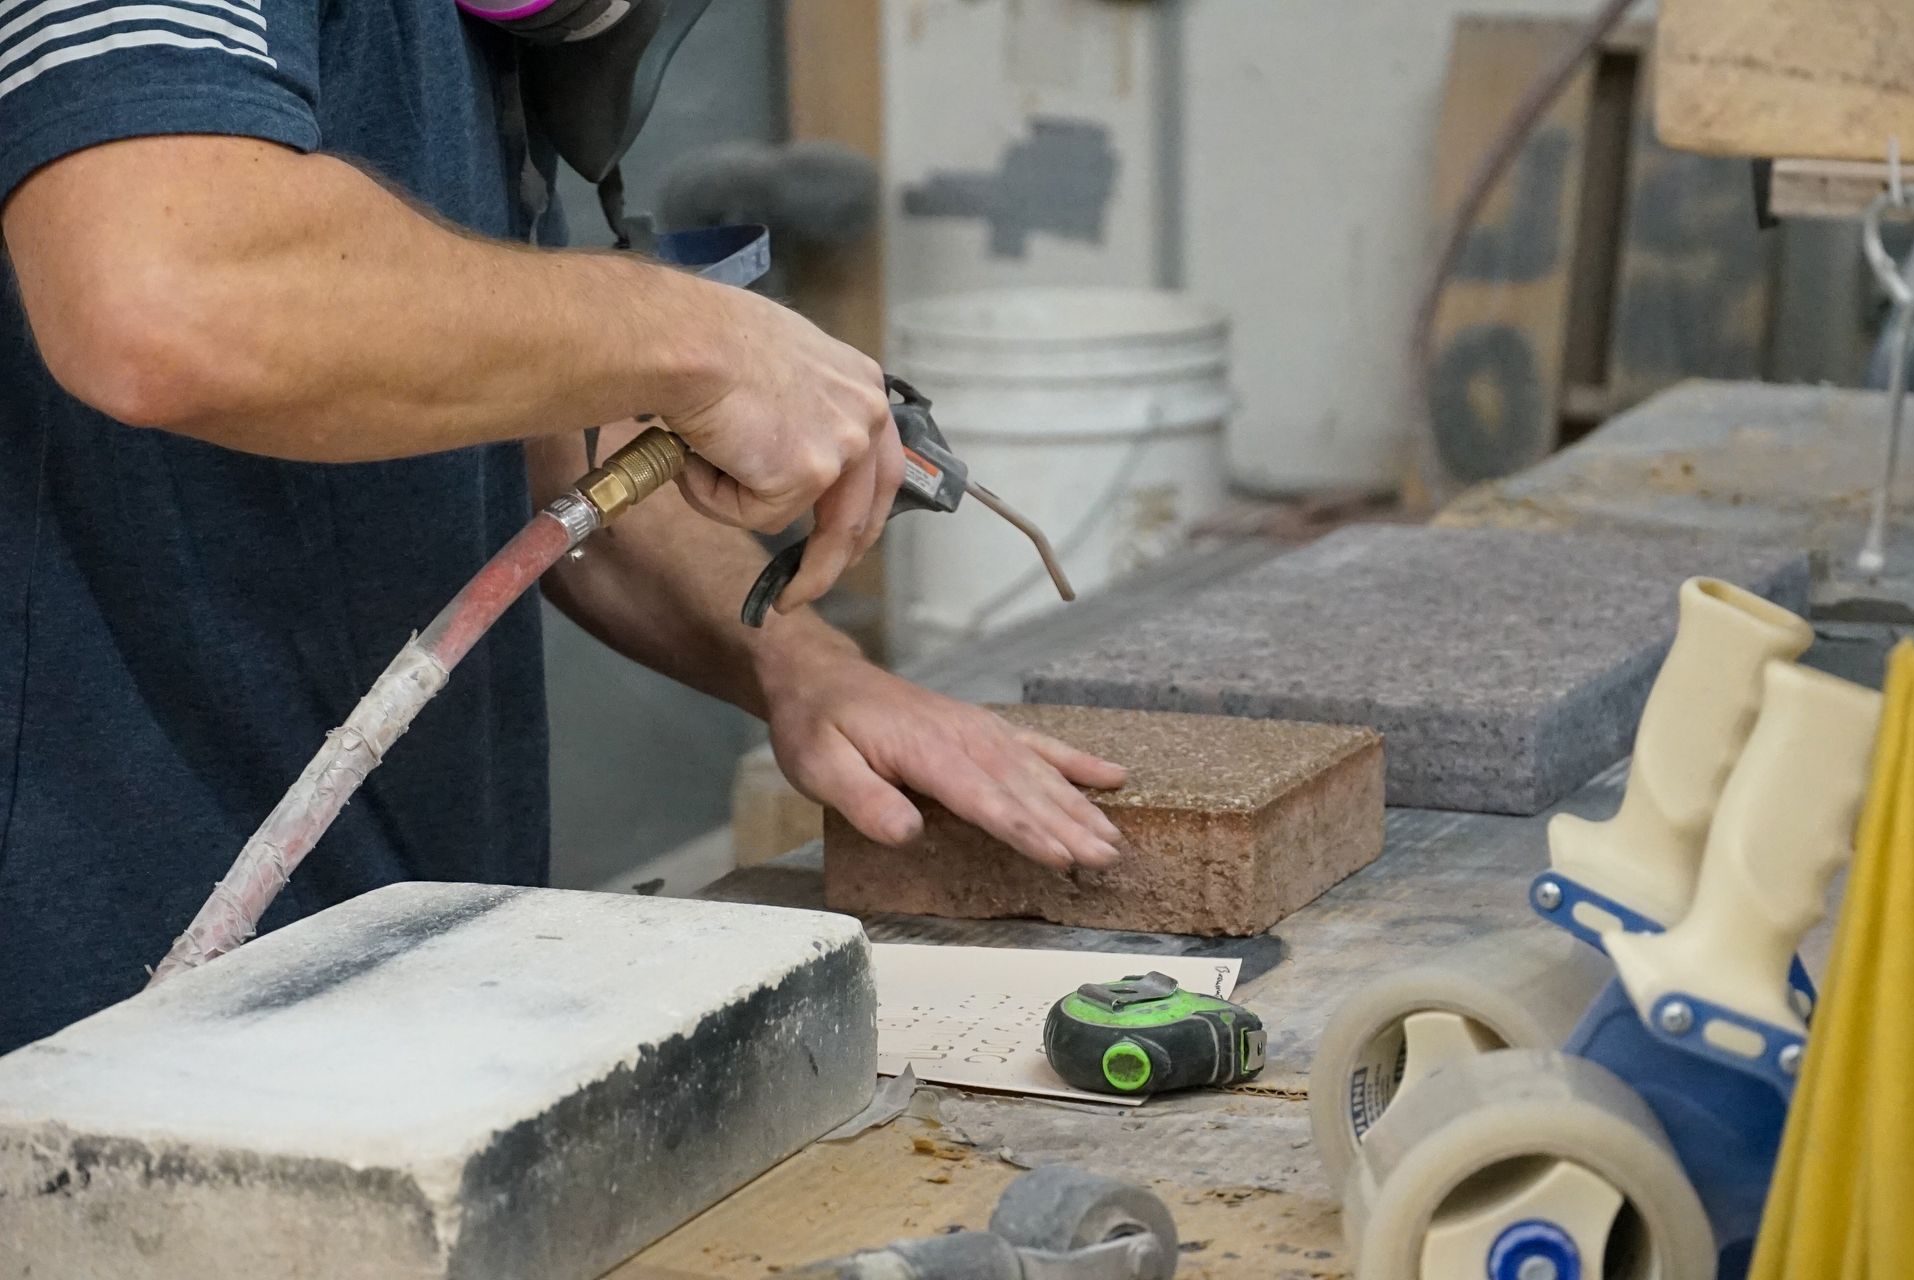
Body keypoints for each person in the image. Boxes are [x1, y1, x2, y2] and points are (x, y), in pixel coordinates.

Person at [0, 4, 1127, 1054]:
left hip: (388, 972)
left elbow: (508, 414)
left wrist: (799, 662)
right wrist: (693, 335)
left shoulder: (468, 31)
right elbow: (168, 297)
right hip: (96, 1011)